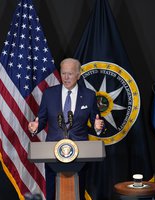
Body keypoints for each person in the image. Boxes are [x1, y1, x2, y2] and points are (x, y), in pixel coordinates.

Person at [28, 58, 104, 200]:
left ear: (78, 74)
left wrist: (98, 127)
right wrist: (35, 127)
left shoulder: (89, 95)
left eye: (70, 74)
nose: (66, 77)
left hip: (80, 155)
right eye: (63, 73)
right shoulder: (49, 94)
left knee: (77, 194)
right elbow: (41, 119)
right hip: (52, 154)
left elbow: (96, 120)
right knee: (52, 193)